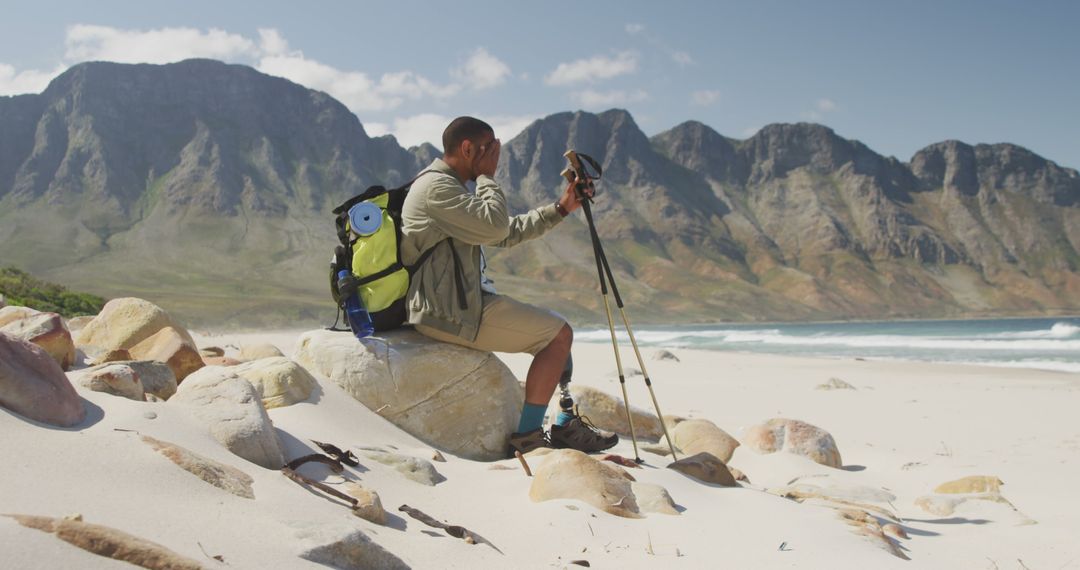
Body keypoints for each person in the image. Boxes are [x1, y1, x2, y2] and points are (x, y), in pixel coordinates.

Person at [400, 116, 618, 457]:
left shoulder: (448, 187)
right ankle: (529, 438)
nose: (496, 157)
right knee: (558, 335)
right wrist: (487, 176)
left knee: (556, 331)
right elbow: (493, 225)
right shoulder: (436, 188)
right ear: (468, 148)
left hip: (462, 302)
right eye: (490, 150)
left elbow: (504, 232)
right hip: (449, 312)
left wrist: (561, 208)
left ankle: (562, 423)